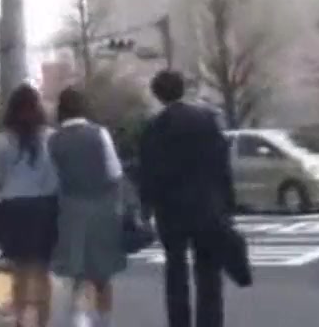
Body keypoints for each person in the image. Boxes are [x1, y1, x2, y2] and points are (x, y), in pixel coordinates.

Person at [138, 70, 236, 327]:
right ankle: (210, 321)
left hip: (170, 210)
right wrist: (227, 203)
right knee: (209, 270)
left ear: (157, 95)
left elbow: (147, 172)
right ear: (182, 89)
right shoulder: (206, 120)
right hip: (207, 205)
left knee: (175, 269)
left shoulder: (154, 128)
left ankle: (179, 321)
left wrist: (146, 209)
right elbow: (221, 165)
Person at [49, 86, 126, 327]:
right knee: (103, 272)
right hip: (103, 208)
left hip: (70, 210)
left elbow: (51, 180)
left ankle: (79, 319)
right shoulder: (99, 133)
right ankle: (104, 320)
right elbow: (114, 171)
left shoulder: (54, 140)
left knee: (78, 273)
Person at [0, 83, 59, 327]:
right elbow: (56, 177)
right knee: (42, 271)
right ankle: (43, 322)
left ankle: (21, 320)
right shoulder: (51, 138)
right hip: (44, 208)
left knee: (19, 272)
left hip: (13, 210)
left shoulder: (1, 140)